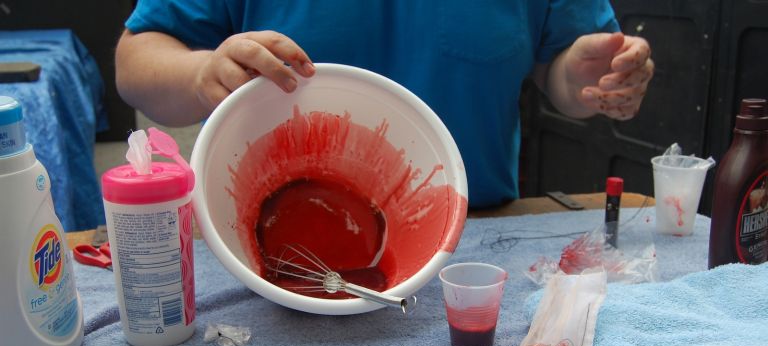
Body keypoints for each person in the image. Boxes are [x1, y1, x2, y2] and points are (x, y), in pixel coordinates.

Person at [115, 1, 654, 208]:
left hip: (477, 242)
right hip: (271, 240)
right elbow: (135, 62)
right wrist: (201, 73)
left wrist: (581, 79)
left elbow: (559, 75)